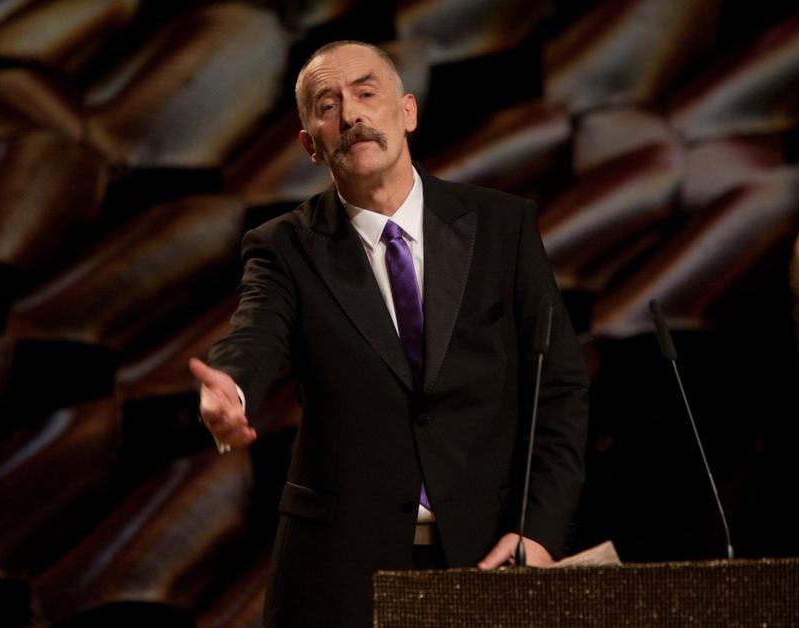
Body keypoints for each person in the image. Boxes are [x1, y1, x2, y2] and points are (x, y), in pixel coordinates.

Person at [189, 40, 589, 628]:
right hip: (341, 572)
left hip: (491, 555)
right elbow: (255, 331)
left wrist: (540, 530)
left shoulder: (502, 227)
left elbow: (558, 391)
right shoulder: (284, 248)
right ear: (310, 145)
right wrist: (232, 387)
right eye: (327, 106)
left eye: (366, 93)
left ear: (407, 112)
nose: (351, 114)